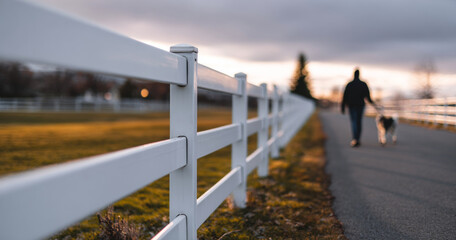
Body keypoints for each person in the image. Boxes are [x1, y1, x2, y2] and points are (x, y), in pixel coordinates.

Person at [341, 68, 375, 147]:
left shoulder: (349, 84)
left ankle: (355, 139)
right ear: (359, 75)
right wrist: (372, 102)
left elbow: (344, 96)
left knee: (354, 122)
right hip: (360, 105)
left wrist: (343, 106)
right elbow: (367, 96)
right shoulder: (363, 84)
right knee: (359, 122)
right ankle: (357, 139)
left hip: (352, 105)